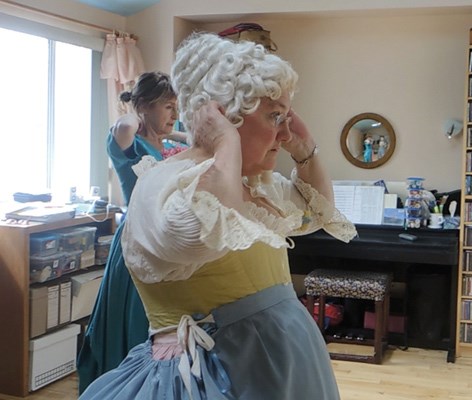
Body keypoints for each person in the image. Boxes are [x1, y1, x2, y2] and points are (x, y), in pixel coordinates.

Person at [79, 32, 356, 400]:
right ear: (226, 117)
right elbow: (202, 234)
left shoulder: (255, 183)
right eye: (275, 117)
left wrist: (306, 153)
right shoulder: (164, 183)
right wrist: (226, 144)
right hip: (214, 378)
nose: (285, 132)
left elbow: (313, 214)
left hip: (283, 364)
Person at [77, 71, 188, 394]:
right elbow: (124, 125)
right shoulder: (127, 140)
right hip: (136, 239)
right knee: (136, 319)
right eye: (168, 106)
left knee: (162, 323)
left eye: (176, 107)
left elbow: (196, 139)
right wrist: (137, 110)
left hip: (166, 238)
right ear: (144, 105)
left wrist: (172, 135)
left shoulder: (170, 138)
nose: (174, 115)